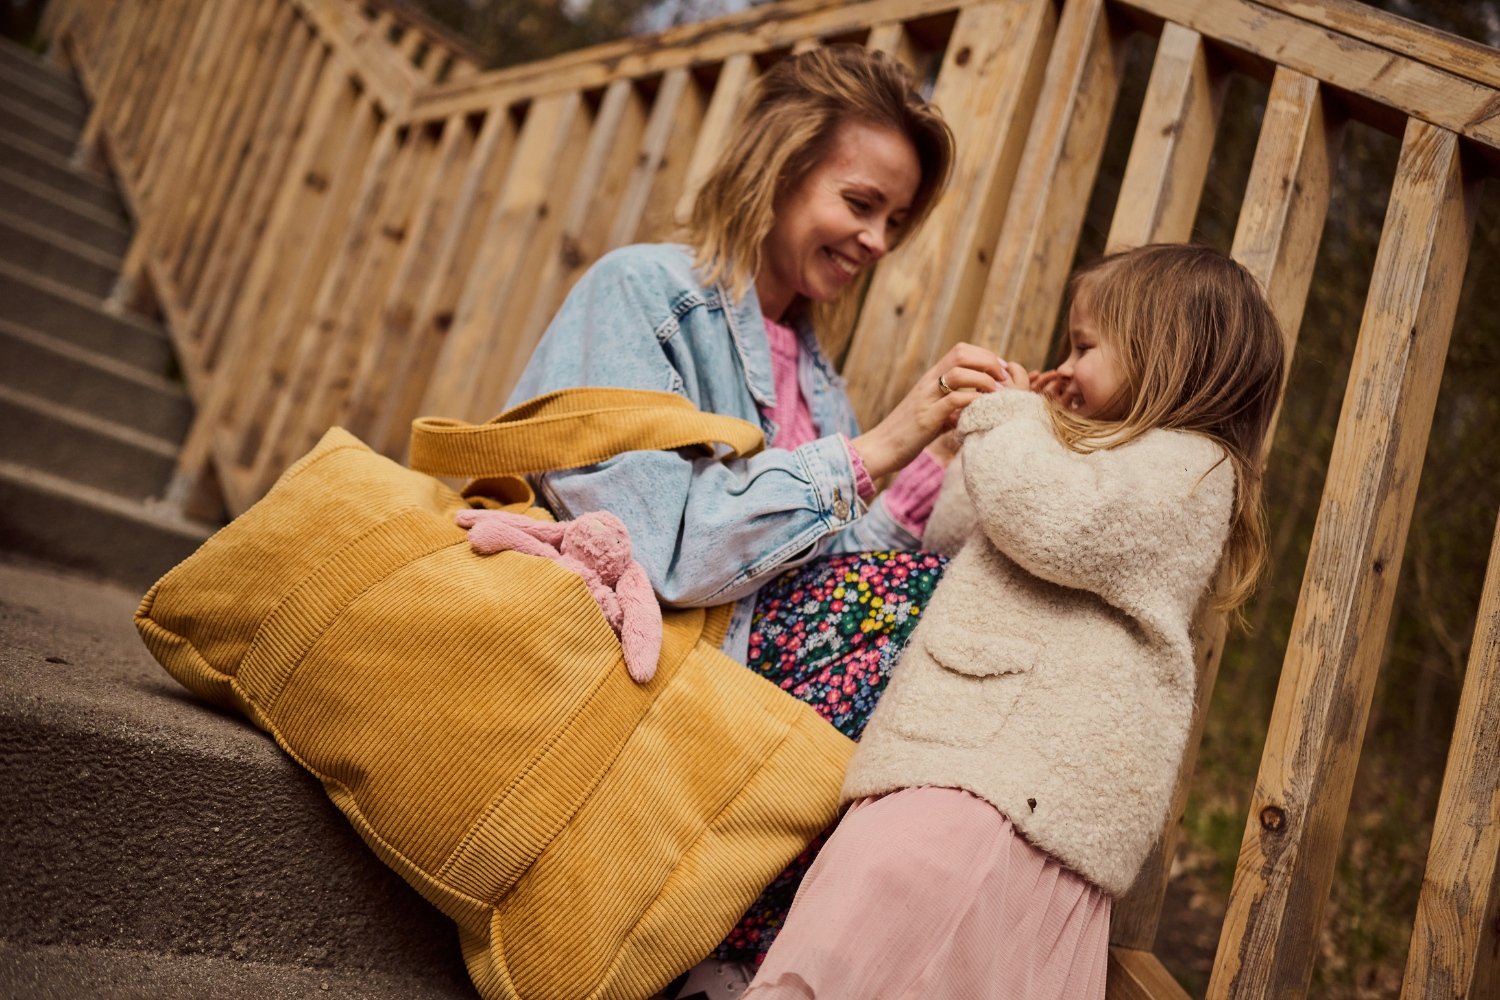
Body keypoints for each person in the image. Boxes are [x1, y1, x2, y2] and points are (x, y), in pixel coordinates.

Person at [503, 44, 1009, 983]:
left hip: (752, 670)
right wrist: (879, 445)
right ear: (777, 171)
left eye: (895, 219)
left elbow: (832, 571)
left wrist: (935, 456)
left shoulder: (814, 369)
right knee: (935, 611)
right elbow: (666, 549)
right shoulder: (642, 293)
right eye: (860, 205)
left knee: (969, 615)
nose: (879, 242)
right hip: (658, 665)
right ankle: (734, 949)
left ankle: (759, 946)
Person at [741, 243, 1287, 999]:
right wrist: (1015, 429)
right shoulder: (1079, 458)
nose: (1065, 364)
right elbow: (966, 529)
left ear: (1164, 358)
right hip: (960, 773)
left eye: (1084, 347)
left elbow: (1049, 518)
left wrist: (1007, 416)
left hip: (1002, 799)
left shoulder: (1192, 472)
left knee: (860, 959)